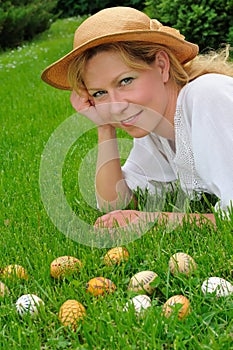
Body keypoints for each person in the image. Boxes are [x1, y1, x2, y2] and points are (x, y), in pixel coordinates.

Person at [41, 6, 233, 230]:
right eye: (99, 93)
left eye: (125, 81)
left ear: (161, 66)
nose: (117, 107)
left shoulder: (207, 96)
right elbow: (116, 203)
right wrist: (104, 126)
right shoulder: (153, 126)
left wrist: (155, 220)